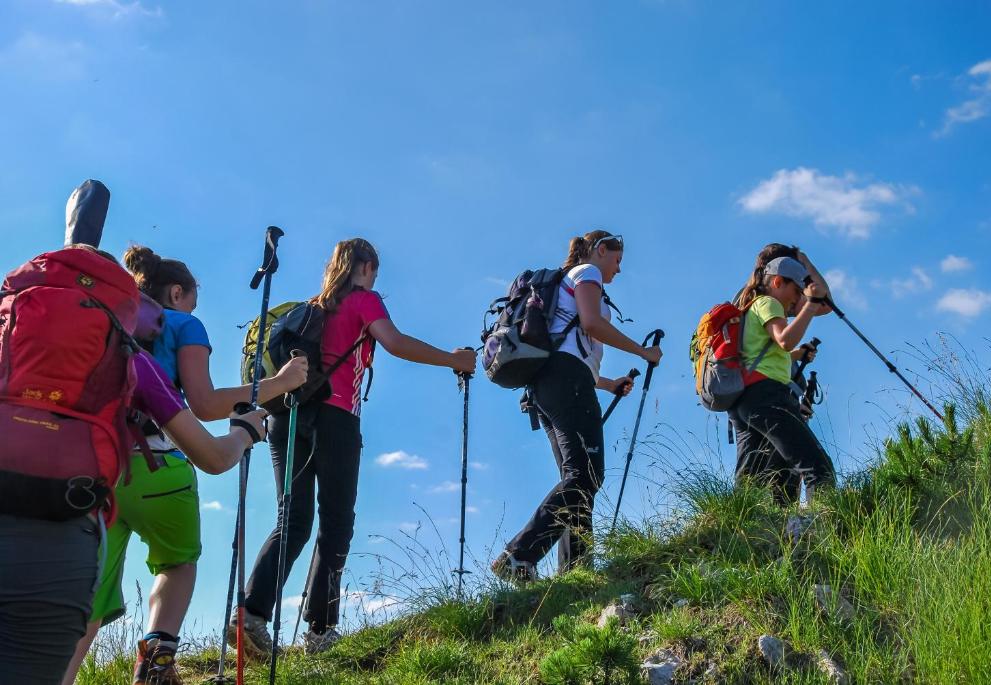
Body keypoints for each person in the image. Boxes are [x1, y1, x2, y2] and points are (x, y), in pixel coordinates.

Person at [62, 246, 307, 685]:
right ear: (177, 293)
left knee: (89, 600)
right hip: (161, 467)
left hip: (99, 470)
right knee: (177, 565)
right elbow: (205, 403)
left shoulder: (112, 323)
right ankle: (155, 661)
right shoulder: (183, 325)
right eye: (194, 298)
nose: (195, 307)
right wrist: (279, 384)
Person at [232, 238, 476, 655]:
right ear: (364, 267)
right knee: (336, 524)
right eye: (374, 271)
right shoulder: (362, 300)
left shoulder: (310, 307)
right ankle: (320, 631)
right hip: (335, 417)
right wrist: (453, 359)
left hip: (285, 415)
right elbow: (395, 343)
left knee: (292, 520)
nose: (375, 278)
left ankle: (250, 618)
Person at [492, 230, 663, 582]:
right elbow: (591, 324)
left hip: (549, 381)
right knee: (586, 476)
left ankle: (576, 575)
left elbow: (570, 347)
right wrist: (643, 352)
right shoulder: (588, 273)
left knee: (577, 477)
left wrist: (607, 383)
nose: (617, 270)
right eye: (616, 260)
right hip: (567, 380)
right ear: (601, 250)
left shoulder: (567, 280)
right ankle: (518, 556)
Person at [731, 255, 836, 505]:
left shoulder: (750, 305)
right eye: (796, 290)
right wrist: (810, 304)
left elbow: (770, 351)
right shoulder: (768, 302)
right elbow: (784, 340)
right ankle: (822, 535)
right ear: (778, 281)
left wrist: (798, 354)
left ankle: (734, 535)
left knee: (754, 482)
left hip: (745, 400)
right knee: (818, 469)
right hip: (767, 396)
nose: (797, 298)